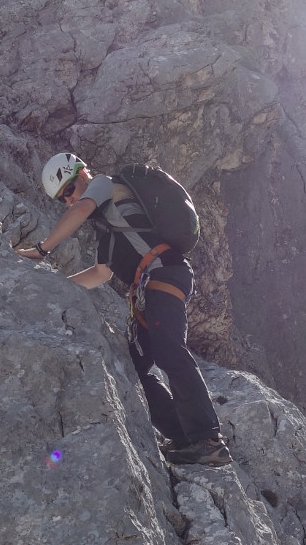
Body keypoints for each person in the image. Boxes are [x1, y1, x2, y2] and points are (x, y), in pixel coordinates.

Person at [15, 152, 231, 467]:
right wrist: (57, 287)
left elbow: (81, 208)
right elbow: (100, 274)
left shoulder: (105, 184)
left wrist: (41, 249)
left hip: (164, 273)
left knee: (169, 349)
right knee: (134, 368)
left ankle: (208, 440)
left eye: (69, 189)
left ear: (82, 174)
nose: (69, 199)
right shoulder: (109, 227)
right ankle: (184, 436)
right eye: (62, 198)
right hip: (151, 286)